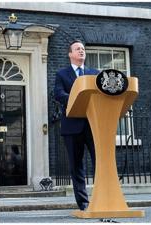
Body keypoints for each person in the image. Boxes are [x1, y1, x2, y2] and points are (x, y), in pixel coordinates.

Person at [54, 40, 99, 211]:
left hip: (94, 124)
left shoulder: (94, 73)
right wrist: (77, 98)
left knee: (99, 162)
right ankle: (84, 203)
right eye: (77, 49)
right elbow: (58, 94)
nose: (81, 51)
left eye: (83, 49)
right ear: (70, 54)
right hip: (72, 126)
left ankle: (101, 198)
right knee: (76, 166)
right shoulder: (62, 74)